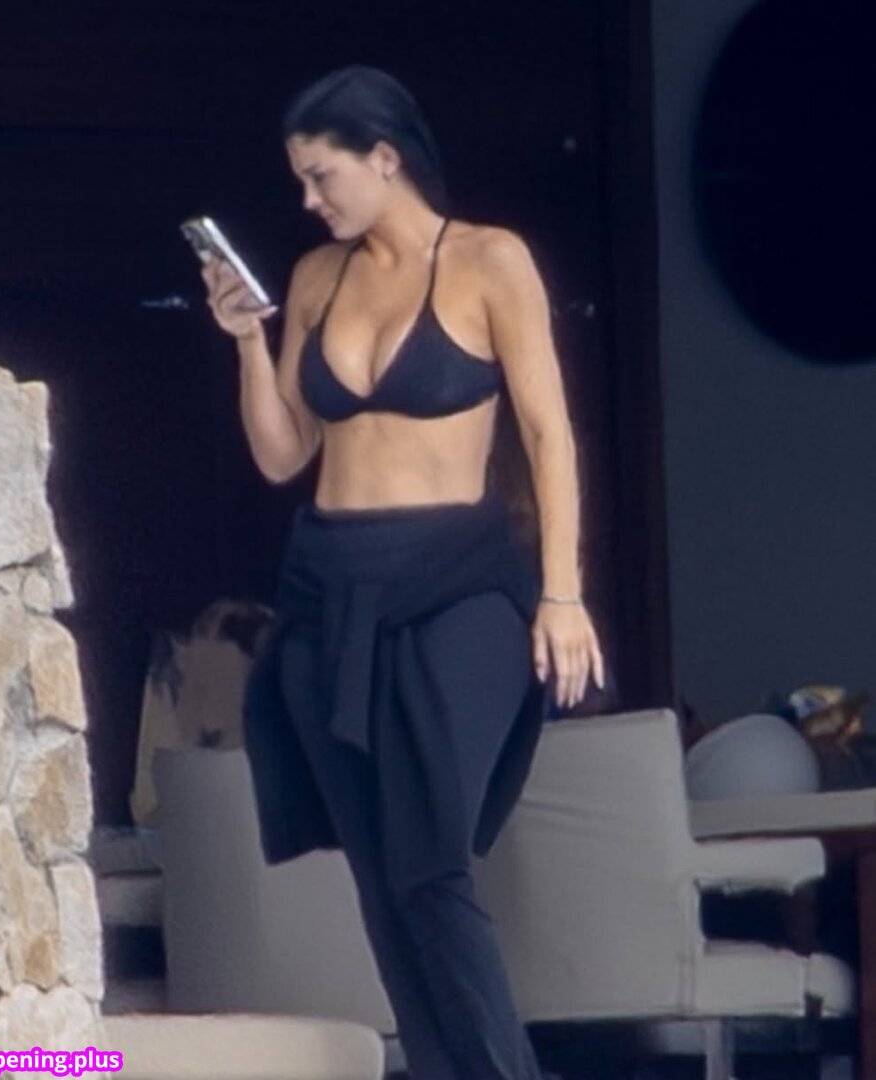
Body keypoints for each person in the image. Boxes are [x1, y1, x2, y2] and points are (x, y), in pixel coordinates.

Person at [201, 65, 604, 1080]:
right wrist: (247, 340)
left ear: (384, 157)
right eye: (299, 181)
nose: (309, 200)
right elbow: (284, 455)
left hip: (460, 585)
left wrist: (561, 593)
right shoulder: (316, 277)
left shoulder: (489, 261)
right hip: (331, 591)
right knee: (382, 887)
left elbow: (548, 435)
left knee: (430, 864)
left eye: (322, 176)